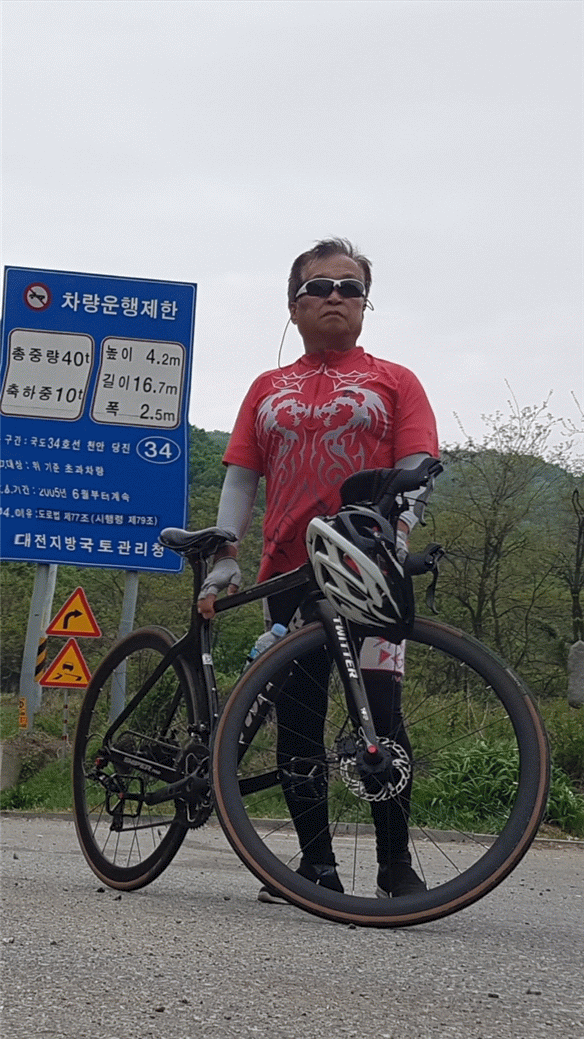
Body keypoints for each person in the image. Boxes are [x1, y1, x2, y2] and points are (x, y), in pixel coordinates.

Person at [198, 238, 439, 900]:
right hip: (288, 574)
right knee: (300, 720)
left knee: (381, 716)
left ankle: (395, 865)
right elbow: (241, 476)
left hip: (371, 572)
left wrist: (395, 539)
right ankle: (314, 866)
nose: (336, 296)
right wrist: (225, 556)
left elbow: (417, 471)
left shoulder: (397, 381)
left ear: (365, 305)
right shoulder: (266, 388)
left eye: (350, 288)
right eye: (320, 287)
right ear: (293, 305)